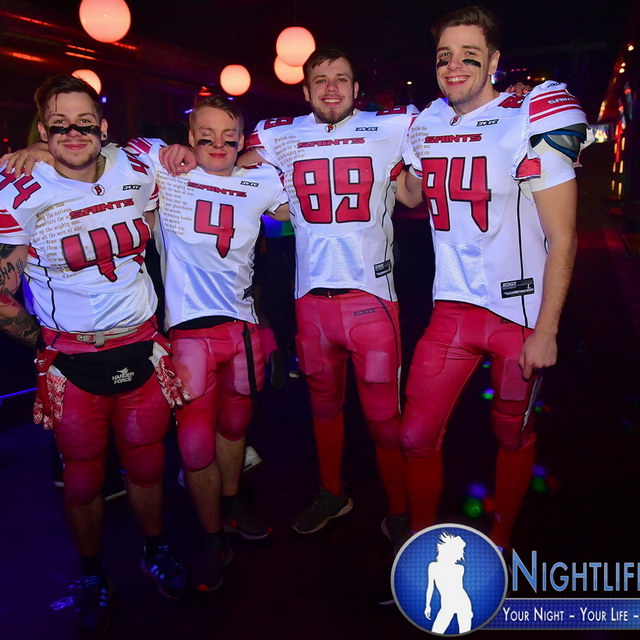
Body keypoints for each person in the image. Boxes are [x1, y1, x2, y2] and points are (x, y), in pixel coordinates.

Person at [0, 75, 189, 633]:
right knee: (82, 481)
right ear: (42, 131)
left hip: (142, 347)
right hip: (73, 362)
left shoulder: (138, 163)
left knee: (147, 465)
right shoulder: (18, 189)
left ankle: (154, 549)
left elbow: (196, 152)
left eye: (85, 123)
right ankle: (90, 572)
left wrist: (180, 150)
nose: (74, 133)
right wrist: (40, 339)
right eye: (59, 125)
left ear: (104, 126)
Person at [401, 6, 589, 552]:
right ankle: (418, 546)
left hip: (518, 314)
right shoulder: (426, 123)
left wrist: (547, 330)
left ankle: (500, 542)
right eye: (445, 56)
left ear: (494, 60)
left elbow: (564, 237)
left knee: (512, 433)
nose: (454, 66)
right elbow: (410, 194)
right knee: (415, 435)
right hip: (451, 308)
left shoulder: (529, 115)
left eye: (469, 55)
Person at [235, 45, 417, 540]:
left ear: (357, 89)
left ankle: (401, 508)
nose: (331, 88)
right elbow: (228, 162)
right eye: (320, 80)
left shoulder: (390, 126)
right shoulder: (280, 134)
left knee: (384, 418)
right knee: (322, 408)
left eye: (341, 79)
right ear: (305, 90)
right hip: (311, 302)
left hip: (371, 301)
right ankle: (332, 492)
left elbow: (421, 179)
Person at [126, 95, 289, 589]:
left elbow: (303, 192)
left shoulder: (262, 180)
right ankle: (211, 535)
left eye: (229, 137)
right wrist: (40, 151)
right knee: (196, 445)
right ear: (188, 137)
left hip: (242, 328)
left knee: (236, 427)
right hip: (190, 332)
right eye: (205, 136)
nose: (217, 145)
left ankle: (231, 506)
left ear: (241, 140)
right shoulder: (167, 169)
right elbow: (108, 154)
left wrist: (263, 153)